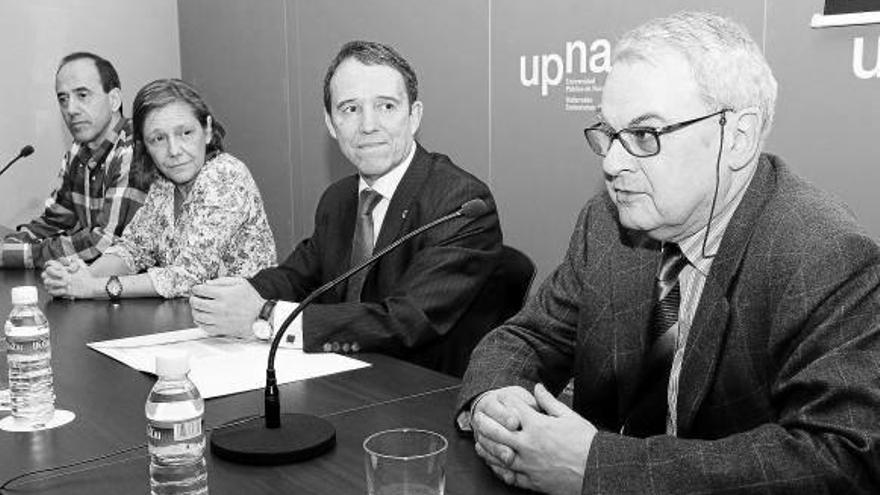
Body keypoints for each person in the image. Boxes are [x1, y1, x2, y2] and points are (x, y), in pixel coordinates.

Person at [457, 11, 880, 495]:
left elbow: (841, 458)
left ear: (737, 138)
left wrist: (599, 468)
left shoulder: (823, 254)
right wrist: (496, 401)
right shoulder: (607, 223)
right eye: (609, 133)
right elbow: (529, 337)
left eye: (644, 136)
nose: (612, 163)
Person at [189, 41, 502, 369]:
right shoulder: (339, 198)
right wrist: (234, 295)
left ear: (414, 116)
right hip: (341, 373)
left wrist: (266, 314)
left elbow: (407, 321)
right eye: (350, 109)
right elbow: (298, 278)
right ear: (330, 124)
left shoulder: (460, 202)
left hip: (420, 386)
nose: (368, 125)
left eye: (386, 106)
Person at [41, 79, 276, 300]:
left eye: (186, 133)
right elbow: (133, 249)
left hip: (244, 323)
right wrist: (82, 276)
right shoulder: (163, 183)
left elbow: (188, 276)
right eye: (158, 139)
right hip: (190, 320)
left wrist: (93, 287)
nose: (174, 151)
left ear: (206, 130)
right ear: (145, 146)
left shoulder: (225, 175)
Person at [1, 52, 150, 269]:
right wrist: (13, 243)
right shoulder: (78, 149)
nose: (70, 109)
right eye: (63, 99)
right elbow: (56, 221)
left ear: (114, 100)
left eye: (82, 95)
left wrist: (16, 256)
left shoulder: (133, 148)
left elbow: (105, 242)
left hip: (135, 283)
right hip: (89, 280)